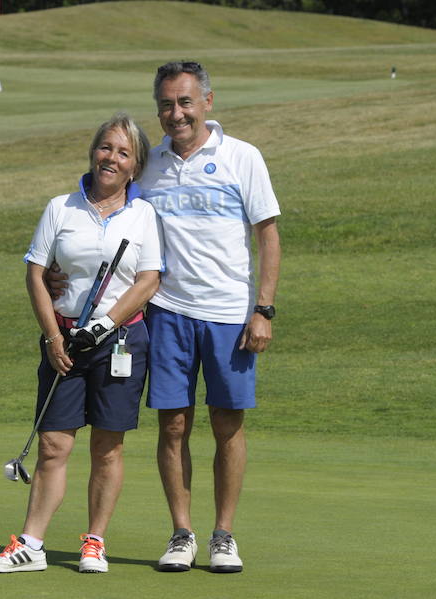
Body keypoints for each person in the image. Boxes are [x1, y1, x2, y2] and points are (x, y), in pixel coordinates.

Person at [46, 61, 281, 573]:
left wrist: (263, 309)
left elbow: (267, 234)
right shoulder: (148, 164)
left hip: (228, 314)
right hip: (166, 312)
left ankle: (223, 536)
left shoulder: (242, 157)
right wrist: (53, 275)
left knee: (227, 424)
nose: (176, 113)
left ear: (207, 102)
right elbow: (96, 221)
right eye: (167, 105)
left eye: (185, 102)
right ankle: (182, 533)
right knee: (172, 425)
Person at [0, 112, 162, 574]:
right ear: (92, 152)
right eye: (105, 148)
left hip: (120, 341)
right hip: (64, 342)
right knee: (53, 445)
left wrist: (104, 325)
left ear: (135, 166)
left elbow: (149, 280)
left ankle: (94, 542)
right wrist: (53, 336)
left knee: (108, 446)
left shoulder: (143, 214)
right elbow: (36, 274)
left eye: (123, 153)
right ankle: (31, 545)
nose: (111, 158)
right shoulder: (61, 207)